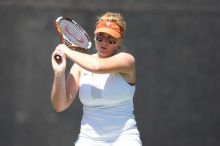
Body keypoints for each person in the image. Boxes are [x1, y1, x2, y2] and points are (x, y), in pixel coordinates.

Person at [51, 12, 142, 146]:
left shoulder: (127, 60)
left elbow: (97, 66)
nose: (104, 43)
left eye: (111, 40)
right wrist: (59, 72)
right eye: (100, 38)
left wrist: (66, 50)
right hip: (88, 140)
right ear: (94, 37)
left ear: (119, 42)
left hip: (125, 139)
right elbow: (60, 105)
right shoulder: (79, 67)